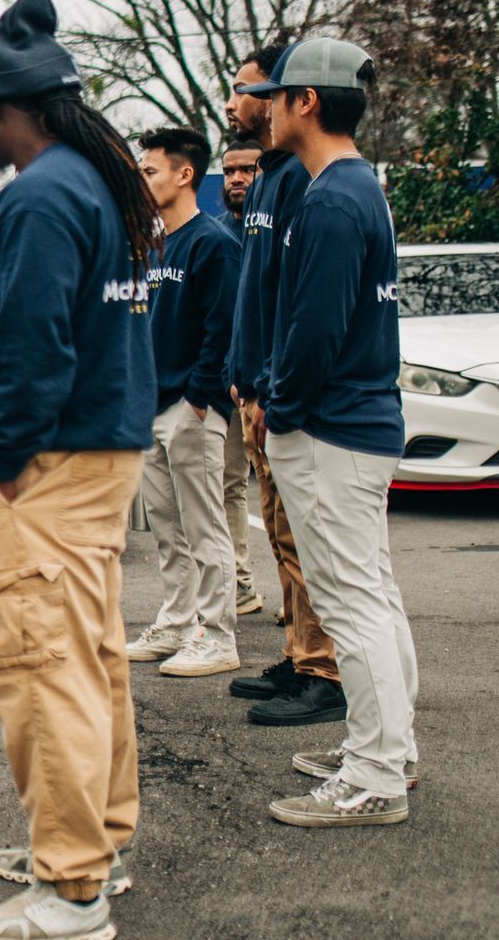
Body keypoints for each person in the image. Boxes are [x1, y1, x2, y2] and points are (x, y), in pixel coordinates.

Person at [0, 0, 156, 940]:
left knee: (42, 665)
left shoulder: (38, 195)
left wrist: (3, 461)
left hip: (51, 464)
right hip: (103, 450)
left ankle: (70, 889)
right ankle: (93, 848)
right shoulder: (96, 180)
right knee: (91, 659)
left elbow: (35, 345)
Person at [236, 39, 418, 828]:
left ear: (308, 101)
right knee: (370, 594)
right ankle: (389, 751)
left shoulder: (333, 199)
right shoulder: (350, 187)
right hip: (353, 424)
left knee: (352, 604)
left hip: (333, 428)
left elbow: (314, 329)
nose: (264, 109)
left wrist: (283, 405)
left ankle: (376, 774)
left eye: (276, 97)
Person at [223, 46, 346, 728]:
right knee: (279, 537)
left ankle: (325, 670)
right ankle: (300, 654)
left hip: (282, 396)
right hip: (253, 390)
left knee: (303, 538)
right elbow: (256, 290)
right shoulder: (267, 176)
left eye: (246, 91)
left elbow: (299, 300)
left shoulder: (303, 176)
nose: (237, 103)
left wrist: (272, 385)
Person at [125, 128, 242, 678]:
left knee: (204, 526)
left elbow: (224, 328)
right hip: (153, 405)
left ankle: (218, 635)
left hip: (192, 409)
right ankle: (176, 622)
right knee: (167, 529)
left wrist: (199, 399)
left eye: (149, 171)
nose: (141, 180)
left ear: (184, 174)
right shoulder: (153, 246)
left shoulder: (213, 242)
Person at [218, 138, 267, 618]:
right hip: (224, 384)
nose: (237, 179)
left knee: (284, 494)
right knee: (230, 486)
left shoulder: (275, 229)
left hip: (269, 383)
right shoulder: (215, 235)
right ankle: (241, 584)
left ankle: (303, 599)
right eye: (230, 170)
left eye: (248, 170)